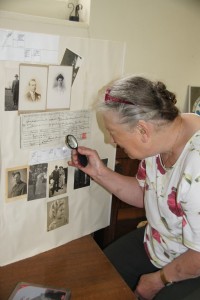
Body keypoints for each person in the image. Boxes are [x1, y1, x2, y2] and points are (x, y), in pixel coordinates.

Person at [68, 75, 200, 300]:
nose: (111, 140)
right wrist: (100, 173)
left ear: (142, 131)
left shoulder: (195, 169)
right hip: (160, 243)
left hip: (192, 264)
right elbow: (145, 194)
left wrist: (159, 280)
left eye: (113, 132)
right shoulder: (165, 132)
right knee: (101, 274)